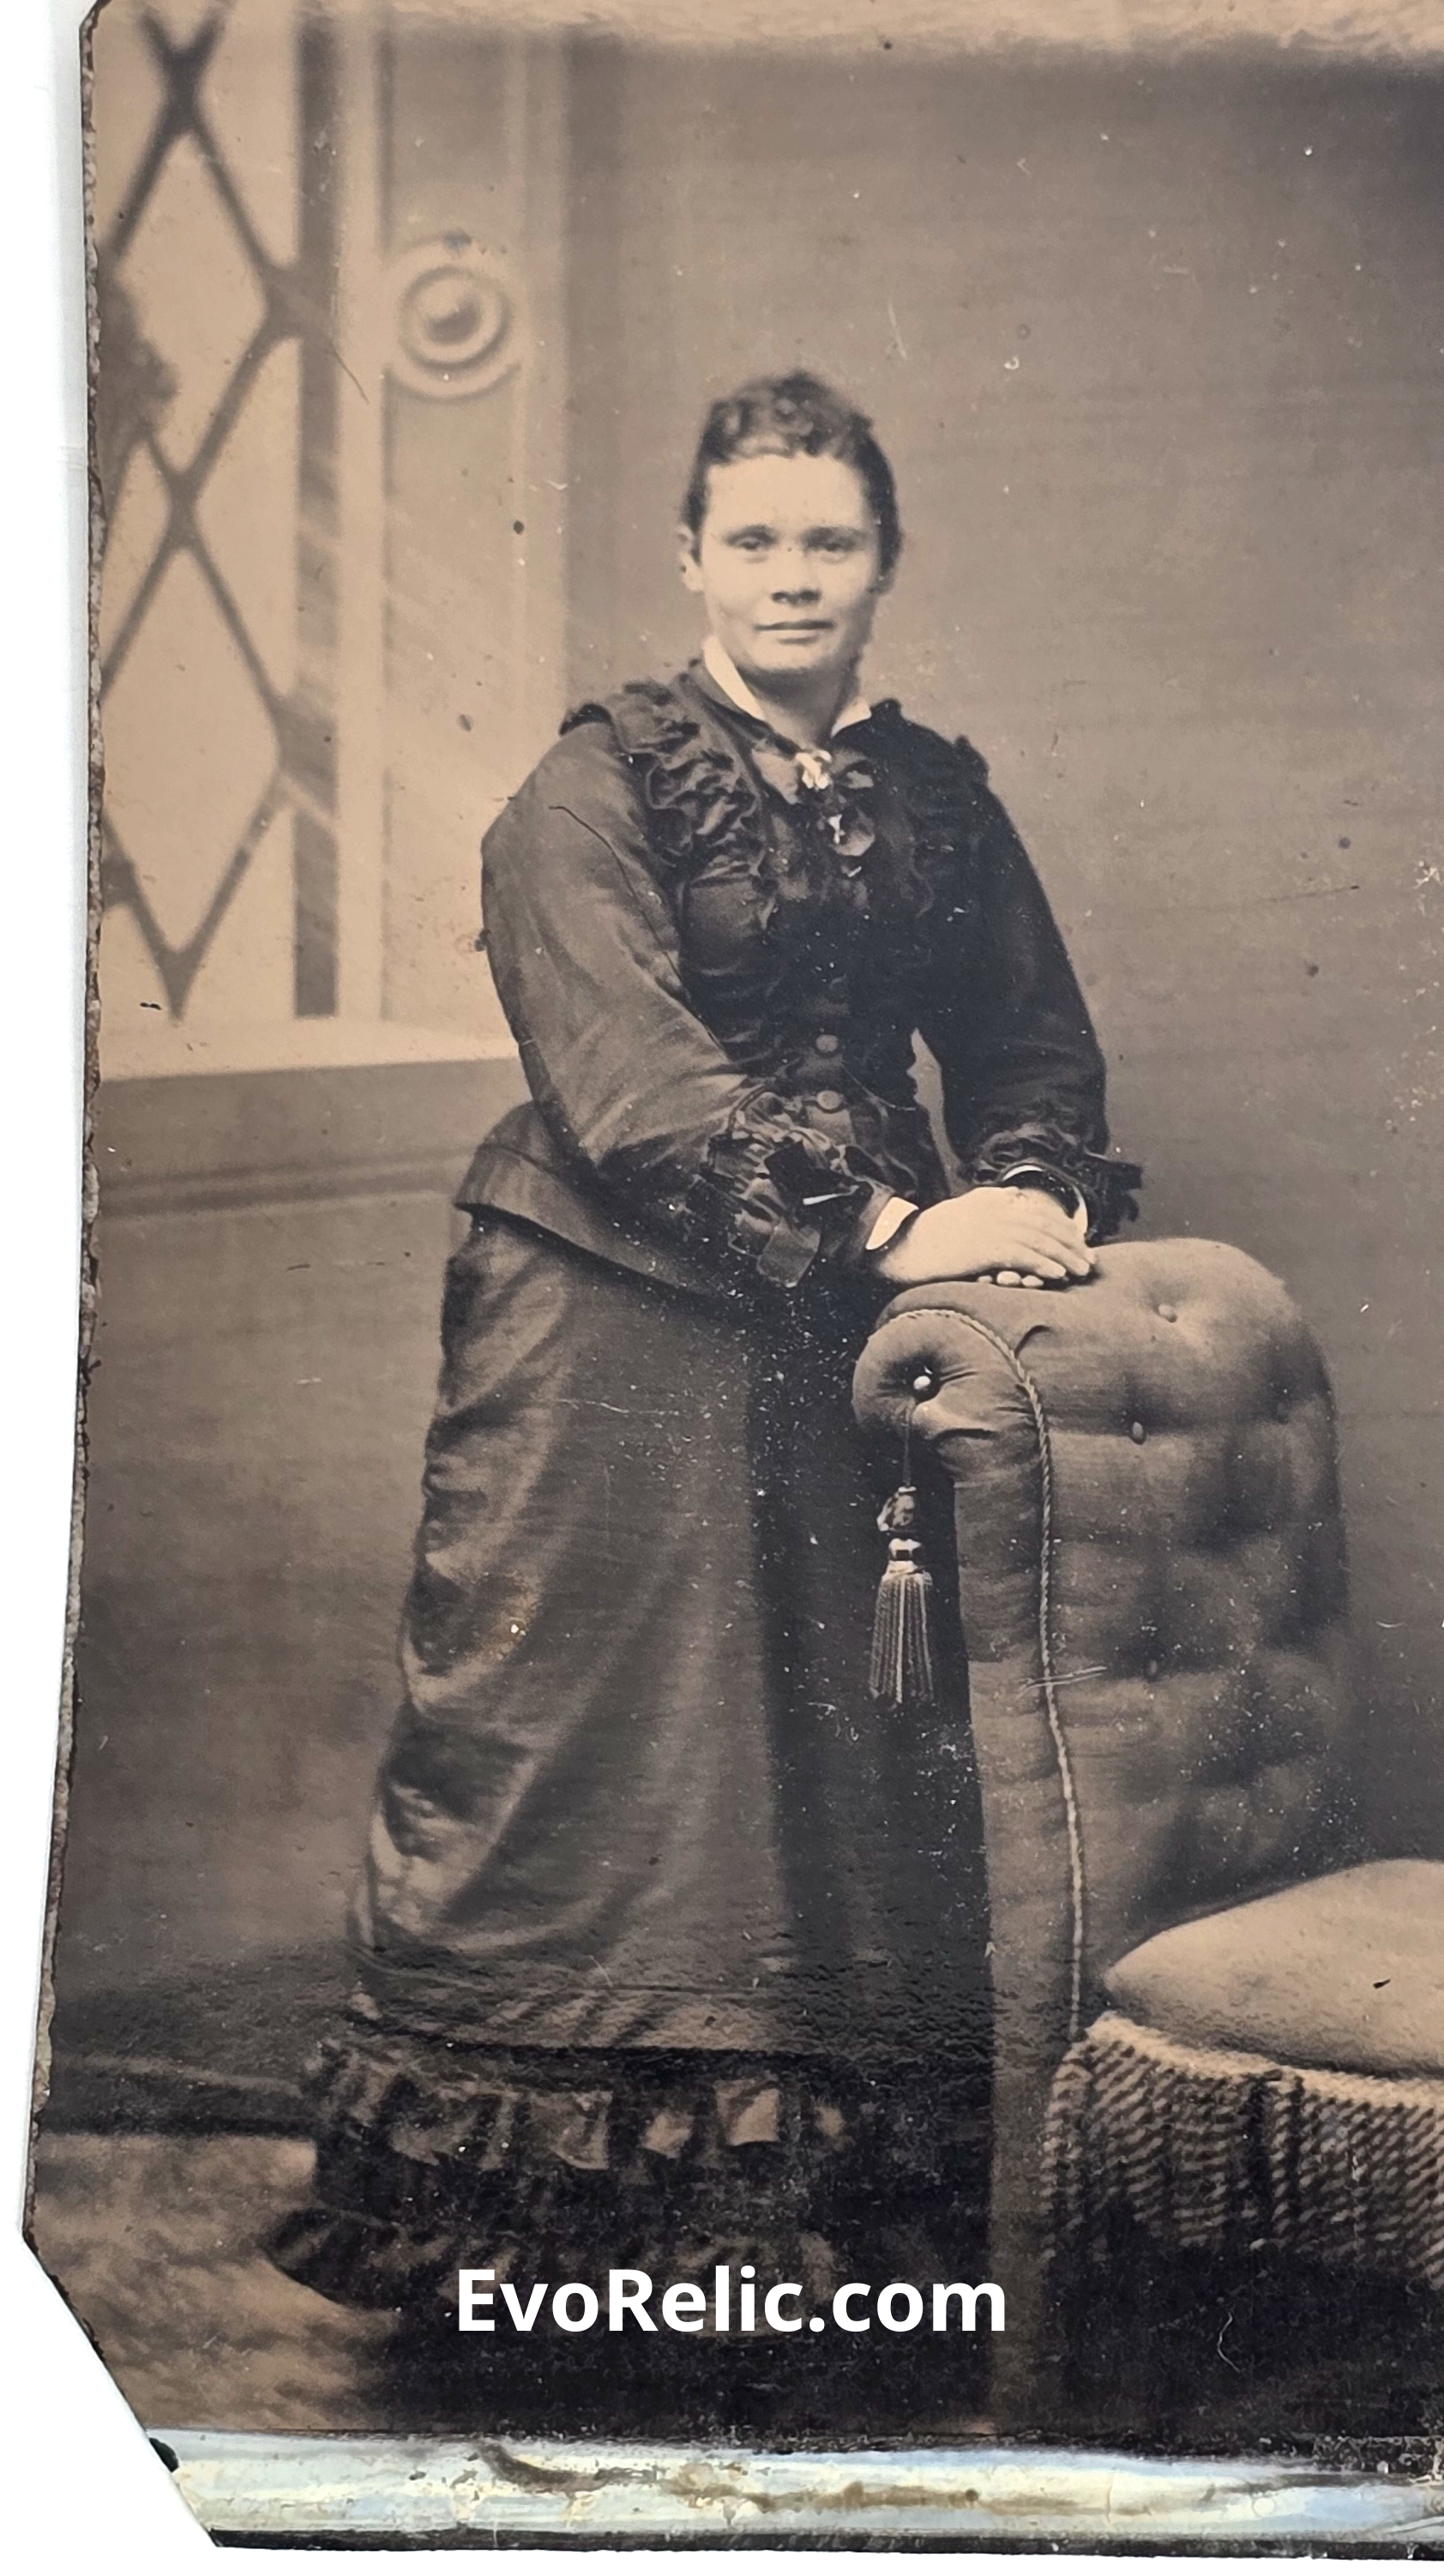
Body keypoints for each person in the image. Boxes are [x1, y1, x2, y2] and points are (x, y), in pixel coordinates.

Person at [268, 372, 1137, 2345]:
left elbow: (1031, 1038)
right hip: (611, 1321)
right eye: (753, 537)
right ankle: (568, 2260)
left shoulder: (935, 798)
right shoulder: (598, 786)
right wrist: (899, 1225)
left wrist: (1025, 1185)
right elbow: (629, 1080)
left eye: (831, 538)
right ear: (690, 558)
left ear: (886, 562)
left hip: (851, 1343)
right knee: (622, 1764)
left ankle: (818, 2241)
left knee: (837, 1764)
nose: (791, 574)